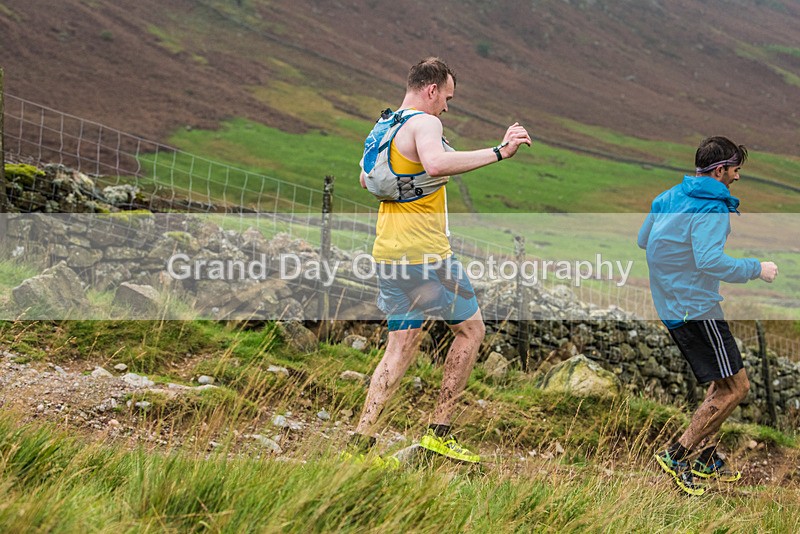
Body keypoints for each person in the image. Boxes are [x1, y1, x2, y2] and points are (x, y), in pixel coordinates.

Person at [349, 57, 532, 466]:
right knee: (471, 330)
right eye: (446, 98)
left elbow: (366, 179)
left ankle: (361, 442)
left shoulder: (385, 126)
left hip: (388, 255)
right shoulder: (425, 123)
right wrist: (500, 152)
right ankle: (439, 433)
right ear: (431, 89)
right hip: (427, 256)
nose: (446, 107)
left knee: (399, 348)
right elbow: (434, 163)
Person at [638, 136, 779, 495]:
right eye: (735, 170)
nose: (737, 177)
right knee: (737, 386)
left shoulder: (668, 196)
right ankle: (677, 455)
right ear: (719, 170)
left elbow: (644, 240)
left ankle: (701, 456)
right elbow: (710, 261)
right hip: (696, 308)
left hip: (672, 304)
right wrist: (756, 268)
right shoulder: (712, 208)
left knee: (722, 383)